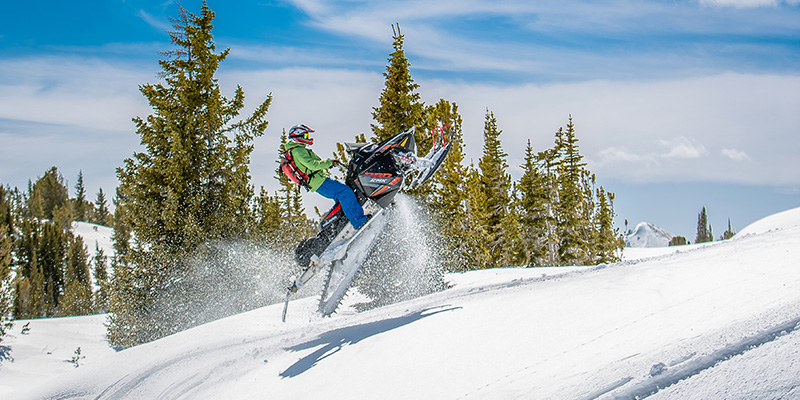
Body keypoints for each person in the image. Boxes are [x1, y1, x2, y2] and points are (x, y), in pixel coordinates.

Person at [283, 124, 370, 229]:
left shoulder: (296, 150)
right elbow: (312, 165)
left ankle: (344, 222)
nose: (308, 138)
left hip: (318, 180)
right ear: (298, 136)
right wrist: (329, 163)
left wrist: (330, 163)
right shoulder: (298, 150)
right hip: (319, 181)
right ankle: (359, 222)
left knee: (343, 194)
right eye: (305, 135)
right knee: (345, 193)